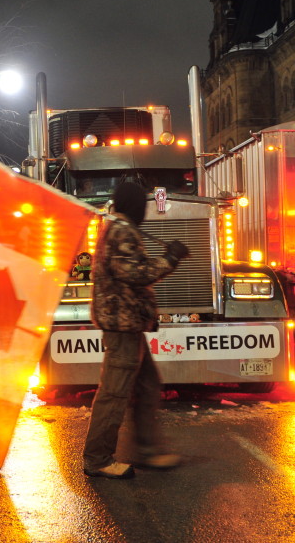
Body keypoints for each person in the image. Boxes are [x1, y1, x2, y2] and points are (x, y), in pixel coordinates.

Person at [82, 181, 190, 479]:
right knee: (114, 393)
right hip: (122, 326)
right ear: (134, 205)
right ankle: (98, 459)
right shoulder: (122, 230)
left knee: (145, 386)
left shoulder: (116, 227)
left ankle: (148, 451)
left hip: (127, 323)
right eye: (141, 203)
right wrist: (171, 259)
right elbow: (135, 274)